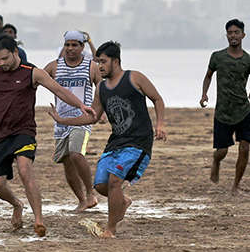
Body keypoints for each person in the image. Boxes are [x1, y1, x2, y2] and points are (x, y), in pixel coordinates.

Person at [0, 34, 96, 236]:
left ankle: (38, 220)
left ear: (14, 53)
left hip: (23, 132)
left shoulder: (32, 73)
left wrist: (81, 105)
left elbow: (60, 90)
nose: (1, 63)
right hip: (0, 135)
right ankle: (17, 205)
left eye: (4, 58)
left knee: (24, 169)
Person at [48, 41, 166, 238]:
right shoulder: (102, 88)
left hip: (138, 142)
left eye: (103, 62)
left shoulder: (134, 77)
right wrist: (63, 120)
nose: (99, 66)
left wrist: (160, 125)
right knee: (101, 186)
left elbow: (157, 99)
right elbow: (93, 117)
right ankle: (123, 201)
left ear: (116, 61)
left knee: (113, 182)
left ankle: (110, 229)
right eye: (97, 62)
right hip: (116, 142)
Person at [200, 19, 250, 194]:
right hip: (223, 113)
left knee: (245, 147)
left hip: (243, 111)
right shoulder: (217, 57)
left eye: (236, 32)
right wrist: (204, 94)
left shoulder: (249, 60)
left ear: (243, 35)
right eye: (230, 33)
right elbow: (208, 76)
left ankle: (236, 185)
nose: (233, 36)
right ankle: (216, 162)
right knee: (222, 151)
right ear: (226, 35)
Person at [43, 30, 101, 212]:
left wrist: (101, 111)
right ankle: (82, 200)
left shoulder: (91, 66)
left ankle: (91, 193)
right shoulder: (54, 66)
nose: (70, 48)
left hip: (83, 119)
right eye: (67, 45)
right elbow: (34, 82)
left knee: (76, 153)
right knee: (67, 161)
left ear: (82, 47)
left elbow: (102, 87)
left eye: (74, 45)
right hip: (60, 121)